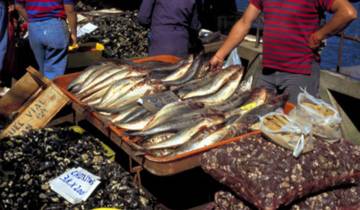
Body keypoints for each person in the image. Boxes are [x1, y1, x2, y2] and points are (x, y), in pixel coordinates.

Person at [209, 0, 357, 103]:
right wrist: (219, 55)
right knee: (254, 120)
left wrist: (319, 35)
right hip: (267, 71)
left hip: (299, 73)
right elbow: (244, 23)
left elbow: (348, 13)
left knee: (294, 126)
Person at [15, 0, 77, 79]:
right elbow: (70, 10)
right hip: (55, 26)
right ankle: (51, 89)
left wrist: (31, 20)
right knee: (54, 73)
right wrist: (73, 33)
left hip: (34, 28)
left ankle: (44, 87)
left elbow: (18, 6)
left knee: (42, 69)